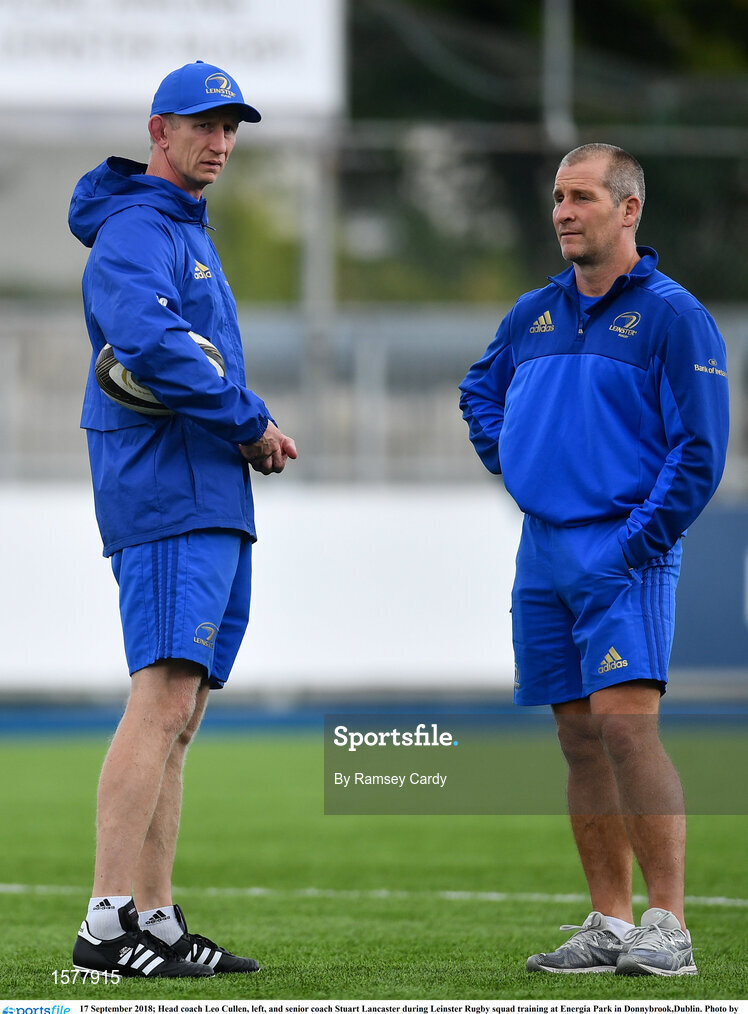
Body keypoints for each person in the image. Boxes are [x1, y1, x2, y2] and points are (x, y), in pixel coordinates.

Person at [459, 143, 729, 977]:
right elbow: (478, 390)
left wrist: (638, 543)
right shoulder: (534, 312)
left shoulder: (674, 315)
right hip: (542, 551)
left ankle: (669, 926)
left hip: (625, 549)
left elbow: (701, 450)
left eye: (581, 197)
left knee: (625, 727)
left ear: (629, 209)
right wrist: (516, 460)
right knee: (578, 738)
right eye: (557, 198)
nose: (564, 212)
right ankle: (610, 922)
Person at [68, 61, 297, 978]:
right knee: (161, 697)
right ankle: (106, 923)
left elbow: (177, 350)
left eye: (231, 126)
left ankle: (155, 921)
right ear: (159, 129)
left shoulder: (182, 229)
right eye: (204, 124)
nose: (221, 141)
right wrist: (250, 422)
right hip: (167, 492)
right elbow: (151, 342)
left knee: (183, 710)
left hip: (203, 492)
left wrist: (239, 432)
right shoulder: (138, 226)